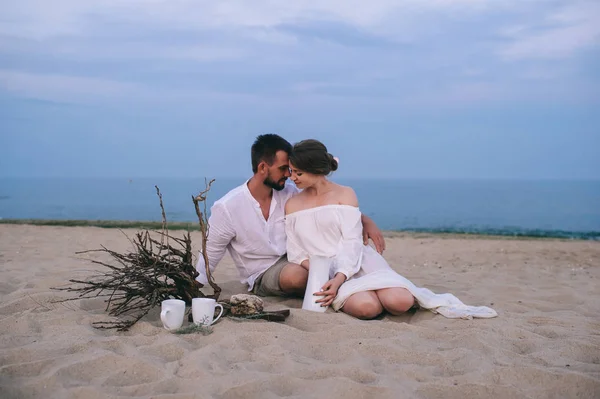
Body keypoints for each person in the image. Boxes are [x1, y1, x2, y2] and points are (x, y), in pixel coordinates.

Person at [284, 139, 498, 320]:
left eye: (299, 173)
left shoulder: (345, 194)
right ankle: (364, 295)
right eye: (292, 171)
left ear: (318, 170)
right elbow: (295, 251)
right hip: (324, 272)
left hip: (357, 261)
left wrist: (340, 276)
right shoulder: (292, 204)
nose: (292, 178)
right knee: (367, 308)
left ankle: (383, 290)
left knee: (400, 302)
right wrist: (321, 273)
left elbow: (352, 242)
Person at [195, 134, 386, 298]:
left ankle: (357, 290)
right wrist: (192, 286)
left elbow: (329, 205)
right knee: (299, 276)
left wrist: (364, 219)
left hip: (297, 256)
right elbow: (209, 253)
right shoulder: (227, 207)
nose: (289, 174)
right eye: (283, 168)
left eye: (291, 169)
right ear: (263, 168)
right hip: (263, 271)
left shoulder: (290, 193)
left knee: (328, 264)